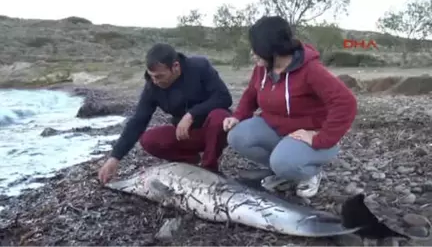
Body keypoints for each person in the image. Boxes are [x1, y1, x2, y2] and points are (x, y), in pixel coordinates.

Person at [222, 16, 357, 198]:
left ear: (272, 49)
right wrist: (238, 116)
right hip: (277, 127)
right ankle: (284, 169)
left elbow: (346, 103)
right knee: (237, 136)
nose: (253, 52)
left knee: (283, 161)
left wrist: (320, 138)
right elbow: (252, 93)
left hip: (309, 133)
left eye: (257, 48)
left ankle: (308, 172)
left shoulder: (311, 70)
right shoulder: (263, 68)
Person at [98, 43, 233, 184]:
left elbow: (224, 97)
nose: (155, 81)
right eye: (152, 76)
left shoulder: (199, 67)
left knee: (220, 117)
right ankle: (190, 163)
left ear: (175, 67)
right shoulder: (153, 86)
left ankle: (210, 169)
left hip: (213, 130)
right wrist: (114, 158)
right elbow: (138, 121)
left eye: (159, 76)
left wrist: (192, 114)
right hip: (185, 134)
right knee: (149, 140)